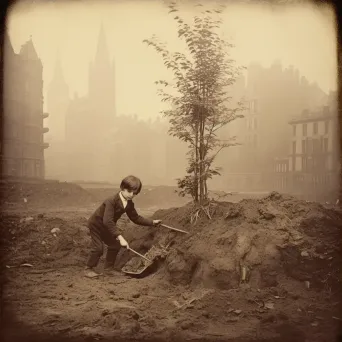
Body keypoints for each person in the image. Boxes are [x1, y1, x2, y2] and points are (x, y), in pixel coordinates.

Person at [85, 175, 162, 278]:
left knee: (115, 245)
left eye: (134, 193)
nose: (132, 195)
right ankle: (88, 268)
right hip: (96, 225)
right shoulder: (111, 201)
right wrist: (120, 237)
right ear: (123, 188)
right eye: (129, 192)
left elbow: (135, 218)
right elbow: (107, 221)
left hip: (106, 226)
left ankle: (108, 269)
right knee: (98, 248)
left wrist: (152, 222)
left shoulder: (129, 204)